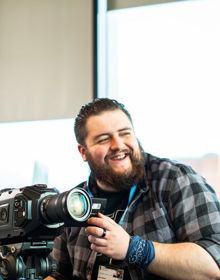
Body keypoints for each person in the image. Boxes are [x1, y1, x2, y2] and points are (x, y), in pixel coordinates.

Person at [45, 98, 220, 280]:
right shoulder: (74, 202)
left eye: (125, 133)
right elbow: (58, 274)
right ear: (83, 152)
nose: (118, 145)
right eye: (104, 139)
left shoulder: (175, 180)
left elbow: (214, 264)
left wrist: (133, 248)